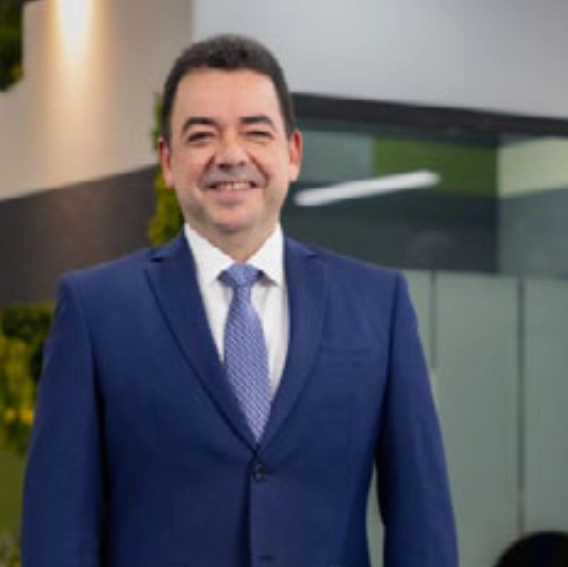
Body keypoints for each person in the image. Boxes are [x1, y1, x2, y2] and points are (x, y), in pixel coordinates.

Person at [22, 34, 458, 567]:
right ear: (168, 161)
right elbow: (58, 532)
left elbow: (422, 524)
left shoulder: (378, 305)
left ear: (292, 153)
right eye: (202, 136)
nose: (231, 155)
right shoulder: (96, 310)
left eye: (255, 132)